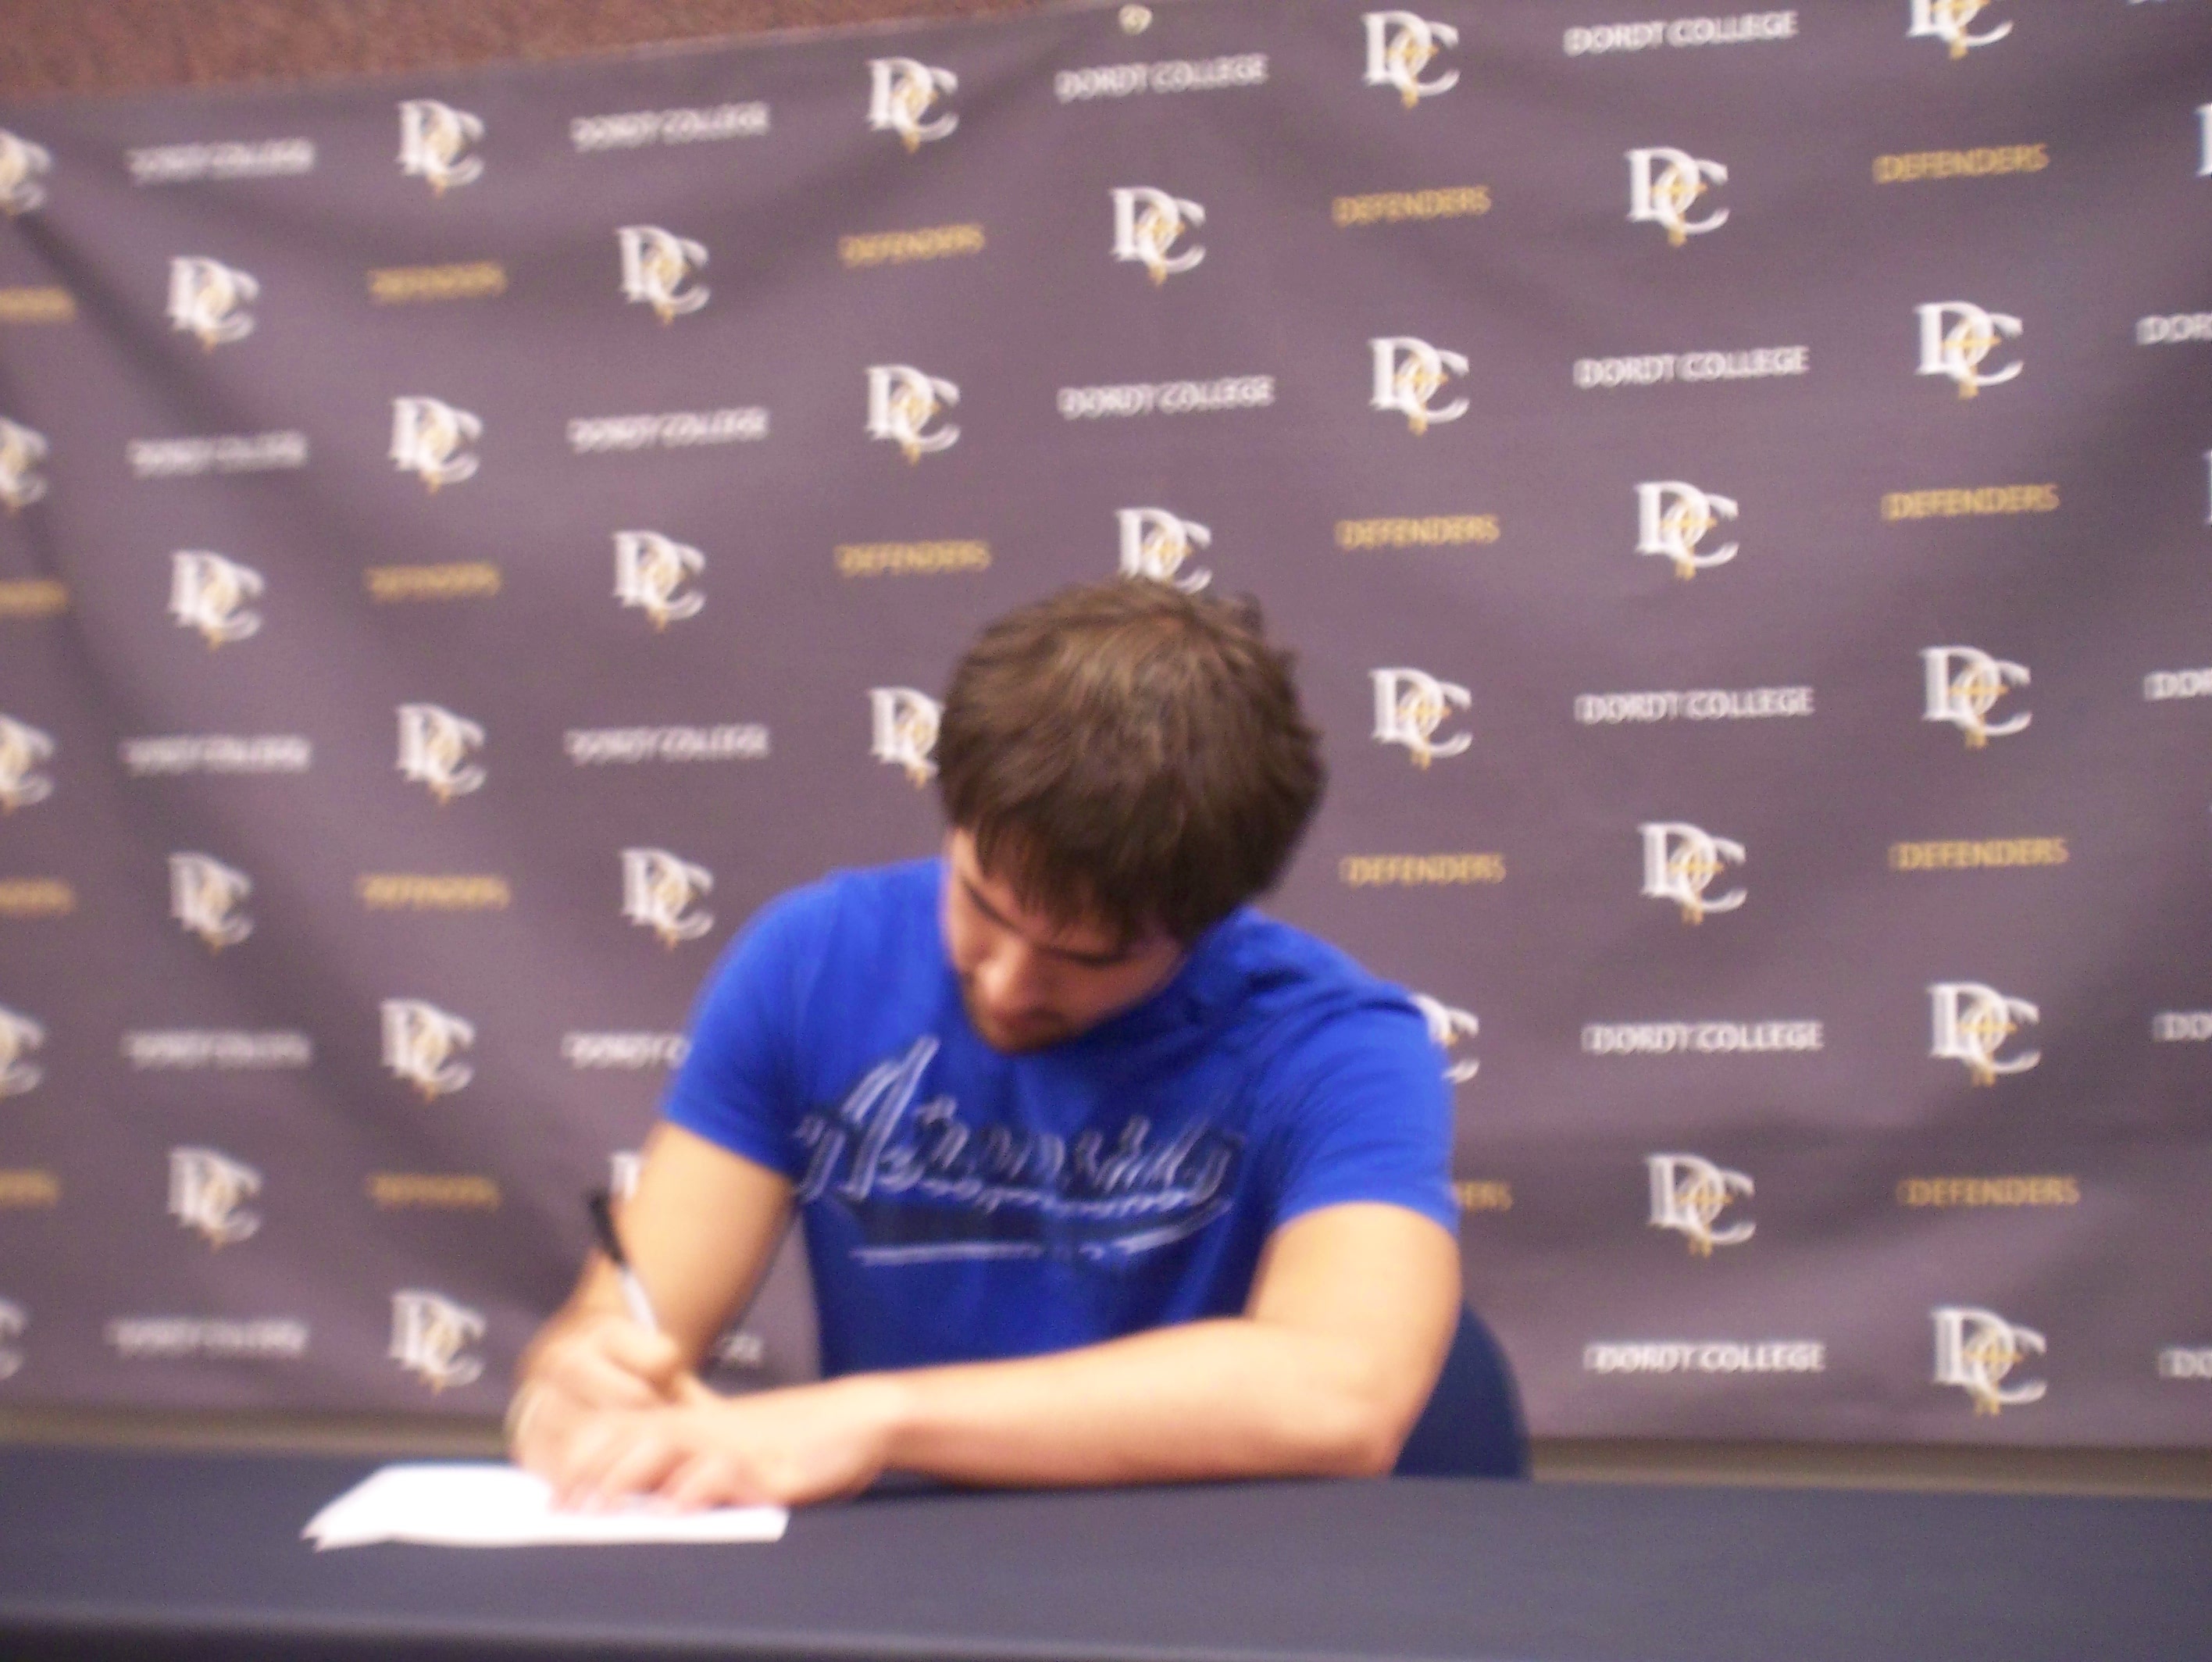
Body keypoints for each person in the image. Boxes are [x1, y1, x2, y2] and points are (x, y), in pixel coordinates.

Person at [508, 579, 1462, 1508]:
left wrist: (877, 1417)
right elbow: (624, 1325)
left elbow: (1344, 1394)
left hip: (1195, 1574)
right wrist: (573, 1387)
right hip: (887, 1579)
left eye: (1082, 957)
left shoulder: (1338, 1047)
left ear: (1204, 924)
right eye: (979, 904)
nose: (1006, 983)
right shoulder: (812, 961)